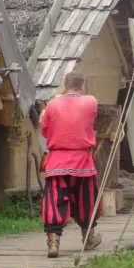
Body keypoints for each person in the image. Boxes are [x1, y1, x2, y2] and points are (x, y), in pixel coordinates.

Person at [40, 71, 101, 258]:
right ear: (82, 85)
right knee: (86, 201)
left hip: (57, 162)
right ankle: (88, 237)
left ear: (65, 85)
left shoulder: (52, 104)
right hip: (82, 161)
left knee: (54, 202)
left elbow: (45, 129)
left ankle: (53, 242)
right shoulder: (91, 101)